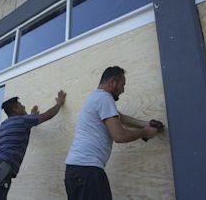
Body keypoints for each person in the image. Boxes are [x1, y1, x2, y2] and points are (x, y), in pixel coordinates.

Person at [65, 66, 164, 200]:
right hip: (88, 171)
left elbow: (119, 117)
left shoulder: (95, 97)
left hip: (74, 171)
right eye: (122, 85)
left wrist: (145, 124)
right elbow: (119, 136)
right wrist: (144, 132)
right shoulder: (105, 98)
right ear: (112, 82)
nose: (123, 90)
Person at [0, 90, 66, 200]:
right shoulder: (22, 121)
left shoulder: (5, 124)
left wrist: (32, 116)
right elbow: (47, 115)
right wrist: (59, 103)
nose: (24, 106)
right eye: (21, 105)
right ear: (15, 109)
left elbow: (22, 125)